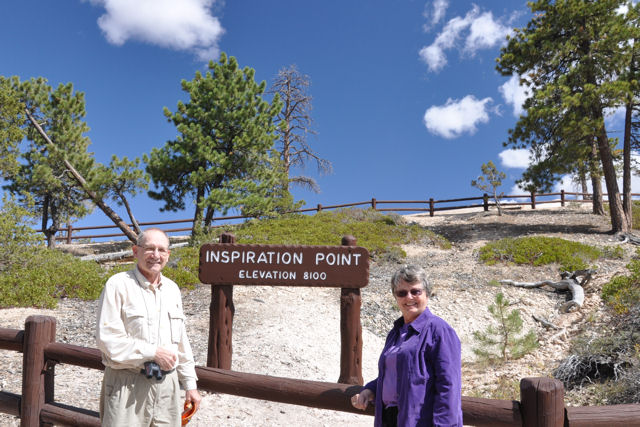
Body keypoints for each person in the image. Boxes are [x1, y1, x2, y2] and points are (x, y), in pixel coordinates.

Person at [96, 228, 202, 426]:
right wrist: (153, 353)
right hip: (127, 384)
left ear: (168, 255)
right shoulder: (117, 285)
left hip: (168, 388)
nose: (156, 255)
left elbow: (181, 342)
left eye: (162, 250)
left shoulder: (172, 289)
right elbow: (107, 339)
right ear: (136, 251)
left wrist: (190, 385)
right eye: (149, 249)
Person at [351, 265, 462, 427]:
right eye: (402, 293)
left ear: (427, 293)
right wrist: (370, 390)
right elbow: (395, 374)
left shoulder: (440, 331)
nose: (409, 297)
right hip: (389, 418)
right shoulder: (396, 332)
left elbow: (449, 385)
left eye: (415, 291)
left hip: (419, 421)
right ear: (395, 297)